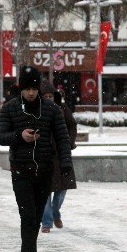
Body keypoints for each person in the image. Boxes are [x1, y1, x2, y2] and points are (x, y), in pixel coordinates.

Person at [0, 66, 72, 252]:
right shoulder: (10, 109)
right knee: (27, 216)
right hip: (21, 171)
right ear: (21, 88)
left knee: (36, 218)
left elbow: (62, 138)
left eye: (34, 88)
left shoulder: (51, 109)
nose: (31, 93)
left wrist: (65, 164)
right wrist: (20, 136)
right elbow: (1, 137)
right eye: (27, 88)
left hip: (44, 171)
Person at [39, 80, 77, 234]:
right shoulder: (37, 110)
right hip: (44, 154)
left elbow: (72, 124)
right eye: (45, 96)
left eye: (50, 95)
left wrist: (69, 141)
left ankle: (55, 211)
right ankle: (47, 222)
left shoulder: (61, 107)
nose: (48, 98)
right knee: (45, 190)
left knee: (63, 187)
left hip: (62, 153)